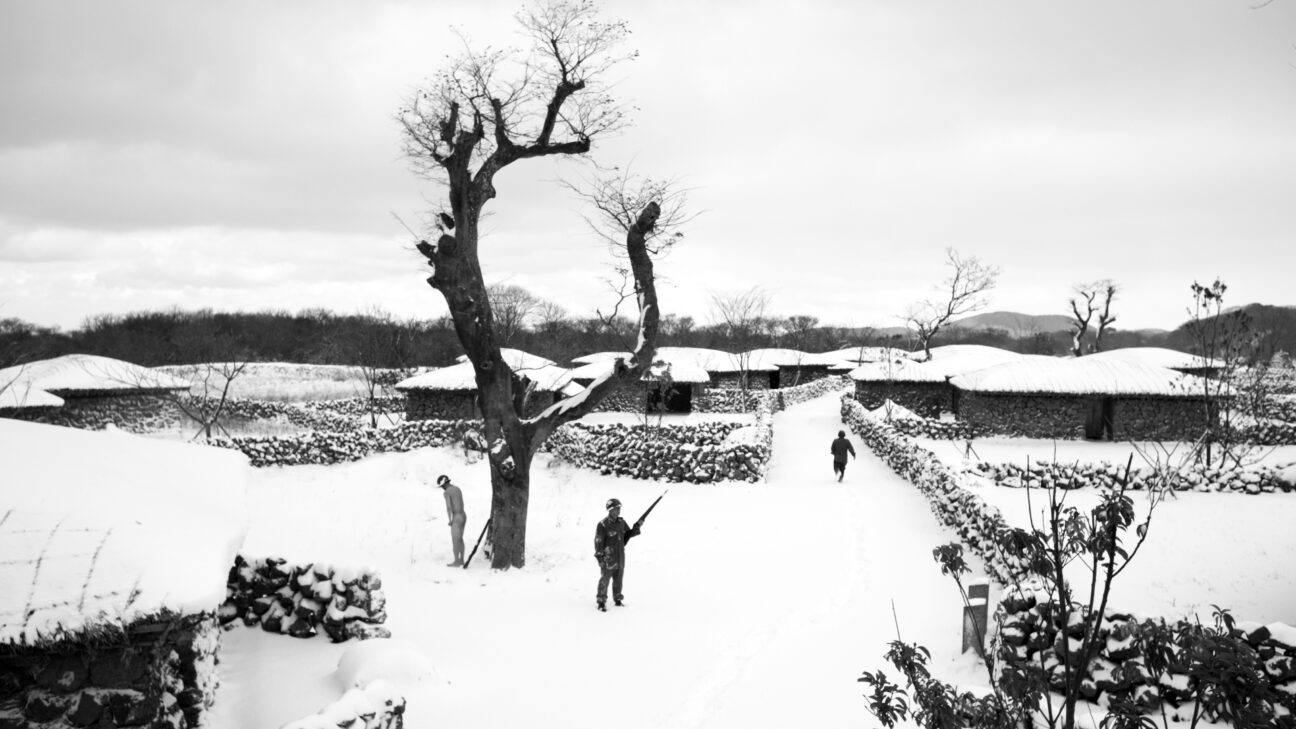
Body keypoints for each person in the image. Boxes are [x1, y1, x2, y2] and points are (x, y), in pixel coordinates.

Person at [594, 497, 641, 612]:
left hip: (620, 557)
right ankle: (601, 601)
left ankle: (618, 599)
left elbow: (628, 535)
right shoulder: (603, 525)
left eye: (619, 508)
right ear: (610, 510)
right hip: (608, 559)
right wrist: (600, 558)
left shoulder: (621, 522)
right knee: (604, 580)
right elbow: (598, 542)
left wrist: (637, 527)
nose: (618, 510)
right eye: (616, 508)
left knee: (618, 580)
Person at [437, 474, 467, 566]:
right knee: (460, 539)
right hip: (463, 515)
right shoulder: (457, 489)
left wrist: (450, 520)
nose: (442, 488)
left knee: (455, 540)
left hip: (457, 517)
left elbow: (449, 507)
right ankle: (461, 559)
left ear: (444, 484)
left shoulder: (447, 492)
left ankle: (456, 561)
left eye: (442, 486)